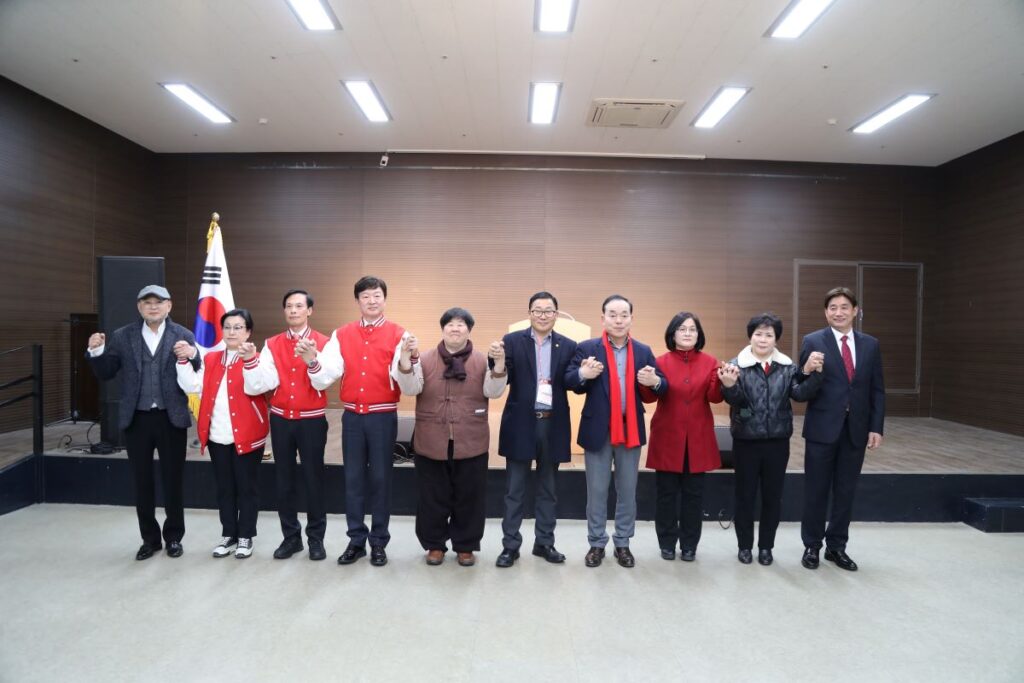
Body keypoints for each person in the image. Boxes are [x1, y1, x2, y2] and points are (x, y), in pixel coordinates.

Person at [86, 285, 201, 560]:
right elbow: (107, 372)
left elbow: (198, 373)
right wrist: (96, 351)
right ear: (139, 307)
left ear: (169, 306)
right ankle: (149, 540)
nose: (153, 307)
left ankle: (174, 537)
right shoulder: (123, 336)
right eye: (147, 302)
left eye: (158, 302)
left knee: (173, 480)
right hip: (137, 419)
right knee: (142, 482)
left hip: (170, 418)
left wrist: (193, 355)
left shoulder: (182, 334)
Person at [303, 276, 410, 567]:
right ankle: (356, 540)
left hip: (382, 416)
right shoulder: (342, 334)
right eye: (365, 297)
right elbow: (327, 373)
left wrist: (407, 360)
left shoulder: (400, 334)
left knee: (381, 479)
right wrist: (313, 360)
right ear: (358, 301)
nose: (372, 301)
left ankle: (378, 542)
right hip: (352, 416)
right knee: (352, 480)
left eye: (376, 296)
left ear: (384, 299)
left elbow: (407, 381)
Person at [395, 308, 507, 566]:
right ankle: (434, 545)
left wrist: (499, 364)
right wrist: (404, 357)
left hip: (471, 438)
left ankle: (465, 545)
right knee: (432, 496)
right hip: (431, 438)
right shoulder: (423, 358)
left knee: (470, 496)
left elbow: (494, 391)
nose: (455, 329)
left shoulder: (481, 360)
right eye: (450, 324)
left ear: (469, 330)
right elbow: (412, 387)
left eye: (461, 325)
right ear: (442, 328)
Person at [566, 295, 667, 568]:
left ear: (631, 319)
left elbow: (662, 386)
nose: (618, 320)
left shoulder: (644, 351)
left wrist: (655, 381)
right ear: (603, 319)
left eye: (624, 315)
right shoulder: (587, 348)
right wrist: (582, 375)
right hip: (598, 429)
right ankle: (596, 543)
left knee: (627, 490)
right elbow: (569, 379)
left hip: (630, 429)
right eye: (613, 314)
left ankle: (623, 543)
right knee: (596, 491)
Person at [718, 313, 823, 566]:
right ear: (750, 336)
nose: (763, 339)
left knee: (772, 497)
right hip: (746, 441)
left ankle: (766, 547)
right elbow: (736, 401)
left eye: (769, 335)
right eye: (758, 334)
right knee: (745, 496)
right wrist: (730, 386)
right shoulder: (736, 365)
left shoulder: (787, 367)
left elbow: (798, 394)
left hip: (777, 441)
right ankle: (744, 547)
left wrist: (813, 373)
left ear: (776, 339)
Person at [799, 287, 885, 571]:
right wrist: (807, 369)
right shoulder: (813, 340)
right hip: (822, 429)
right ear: (826, 312)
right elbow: (800, 386)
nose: (839, 312)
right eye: (833, 307)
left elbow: (877, 389)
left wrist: (876, 426)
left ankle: (836, 547)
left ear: (855, 310)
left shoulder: (870, 344)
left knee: (846, 491)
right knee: (816, 491)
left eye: (844, 307)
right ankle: (812, 545)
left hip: (856, 430)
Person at [241, 290, 330, 561]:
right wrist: (250, 361)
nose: (293, 310)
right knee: (284, 480)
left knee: (314, 480)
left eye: (299, 306)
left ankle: (316, 539)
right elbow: (265, 381)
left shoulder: (324, 342)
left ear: (309, 311)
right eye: (289, 306)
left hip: (312, 420)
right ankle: (291, 538)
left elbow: (325, 381)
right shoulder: (272, 343)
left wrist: (312, 359)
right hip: (280, 419)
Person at [176, 309, 269, 559]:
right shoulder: (213, 359)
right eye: (227, 327)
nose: (232, 332)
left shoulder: (259, 358)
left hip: (247, 436)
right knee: (224, 488)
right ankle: (229, 534)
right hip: (217, 436)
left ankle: (246, 536)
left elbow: (260, 385)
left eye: (238, 327)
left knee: (246, 488)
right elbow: (193, 385)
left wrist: (249, 361)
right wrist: (184, 361)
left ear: (248, 332)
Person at [494, 291, 578, 568]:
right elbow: (501, 379)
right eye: (538, 310)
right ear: (529, 313)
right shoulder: (511, 341)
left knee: (548, 488)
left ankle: (544, 543)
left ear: (556, 314)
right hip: (520, 423)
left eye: (548, 311)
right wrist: (495, 362)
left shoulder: (568, 345)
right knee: (514, 489)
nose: (543, 316)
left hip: (552, 423)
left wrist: (584, 374)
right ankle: (510, 546)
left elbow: (572, 382)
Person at [640, 312, 723, 563]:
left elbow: (715, 397)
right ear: (672, 333)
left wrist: (725, 383)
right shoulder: (660, 362)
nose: (688, 333)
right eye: (682, 329)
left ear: (699, 335)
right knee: (666, 494)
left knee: (693, 496)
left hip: (698, 437)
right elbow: (649, 397)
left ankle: (689, 545)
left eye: (692, 329)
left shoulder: (710, 362)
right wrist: (651, 382)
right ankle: (666, 543)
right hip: (668, 436)